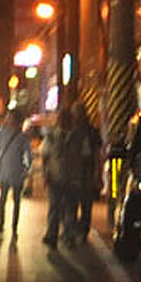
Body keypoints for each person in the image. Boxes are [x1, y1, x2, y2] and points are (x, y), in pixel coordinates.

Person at [0, 114, 34, 238]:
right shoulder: (2, 133)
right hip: (7, 173)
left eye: (10, 118)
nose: (8, 120)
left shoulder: (21, 136)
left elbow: (29, 155)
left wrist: (25, 169)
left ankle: (13, 227)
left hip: (15, 174)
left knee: (14, 201)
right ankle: (2, 224)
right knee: (4, 200)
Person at [42, 106, 78, 247]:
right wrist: (46, 174)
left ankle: (69, 235)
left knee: (70, 208)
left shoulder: (76, 137)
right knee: (54, 207)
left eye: (65, 119)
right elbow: (45, 156)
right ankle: (52, 235)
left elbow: (85, 155)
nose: (62, 122)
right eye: (60, 119)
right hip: (55, 177)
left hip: (72, 177)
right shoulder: (51, 136)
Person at [66, 107, 103, 241]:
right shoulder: (72, 132)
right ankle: (76, 230)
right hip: (77, 172)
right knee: (75, 204)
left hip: (86, 172)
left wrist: (97, 173)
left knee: (84, 204)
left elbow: (97, 154)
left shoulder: (90, 132)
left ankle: (81, 231)